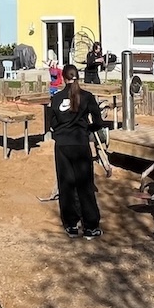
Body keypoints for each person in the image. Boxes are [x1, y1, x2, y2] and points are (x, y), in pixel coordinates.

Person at [45, 63, 106, 238]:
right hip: (80, 143)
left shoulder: (56, 98)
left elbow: (52, 123)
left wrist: (61, 130)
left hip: (62, 145)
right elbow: (98, 122)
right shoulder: (87, 97)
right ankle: (90, 227)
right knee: (85, 185)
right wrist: (88, 129)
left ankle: (71, 224)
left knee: (66, 184)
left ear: (63, 78)